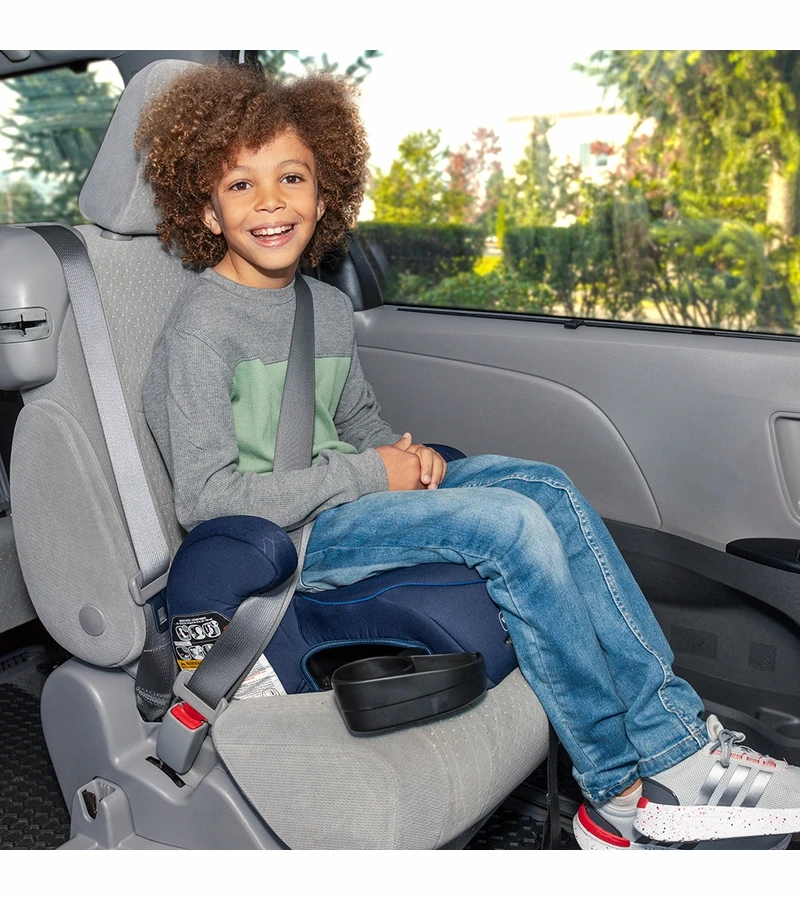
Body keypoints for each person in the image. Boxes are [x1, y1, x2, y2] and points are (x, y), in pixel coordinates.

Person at [137, 61, 800, 851]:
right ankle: (618, 793)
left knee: (546, 486)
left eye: (291, 177)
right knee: (510, 528)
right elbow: (207, 499)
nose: (272, 201)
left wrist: (404, 458)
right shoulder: (202, 329)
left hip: (350, 498)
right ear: (207, 211)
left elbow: (356, 420)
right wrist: (371, 474)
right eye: (241, 185)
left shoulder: (325, 307)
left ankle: (678, 745)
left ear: (324, 192)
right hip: (282, 540)